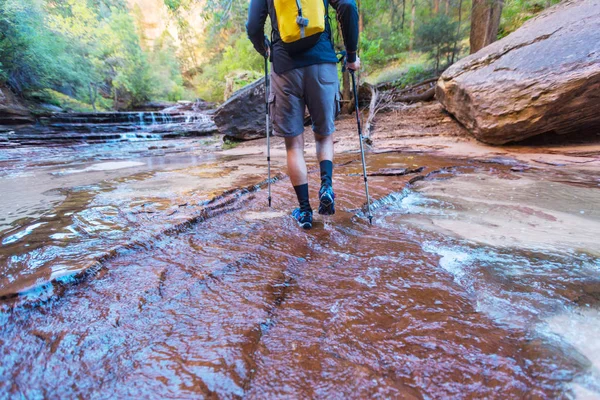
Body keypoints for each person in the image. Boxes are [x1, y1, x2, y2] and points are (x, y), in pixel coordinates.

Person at [247, 0, 360, 230]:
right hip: (322, 63)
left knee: (294, 145)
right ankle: (326, 187)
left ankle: (305, 211)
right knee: (324, 134)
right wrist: (351, 55)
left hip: (285, 68)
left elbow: (252, 26)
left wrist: (266, 49)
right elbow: (348, 6)